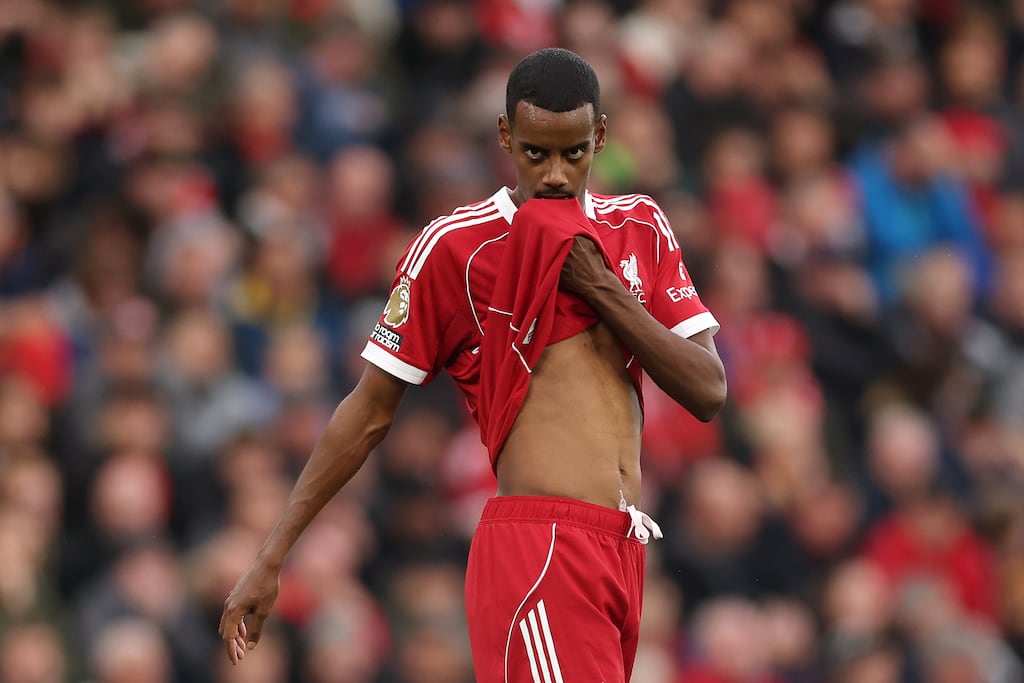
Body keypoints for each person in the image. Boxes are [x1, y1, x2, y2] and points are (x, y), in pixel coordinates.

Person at [219, 47, 726, 682]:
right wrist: (274, 553)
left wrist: (602, 292)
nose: (555, 175)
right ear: (505, 136)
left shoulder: (640, 226)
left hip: (622, 548)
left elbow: (708, 389)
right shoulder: (455, 246)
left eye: (574, 152)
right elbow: (368, 411)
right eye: (535, 152)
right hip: (540, 548)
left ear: (600, 136)